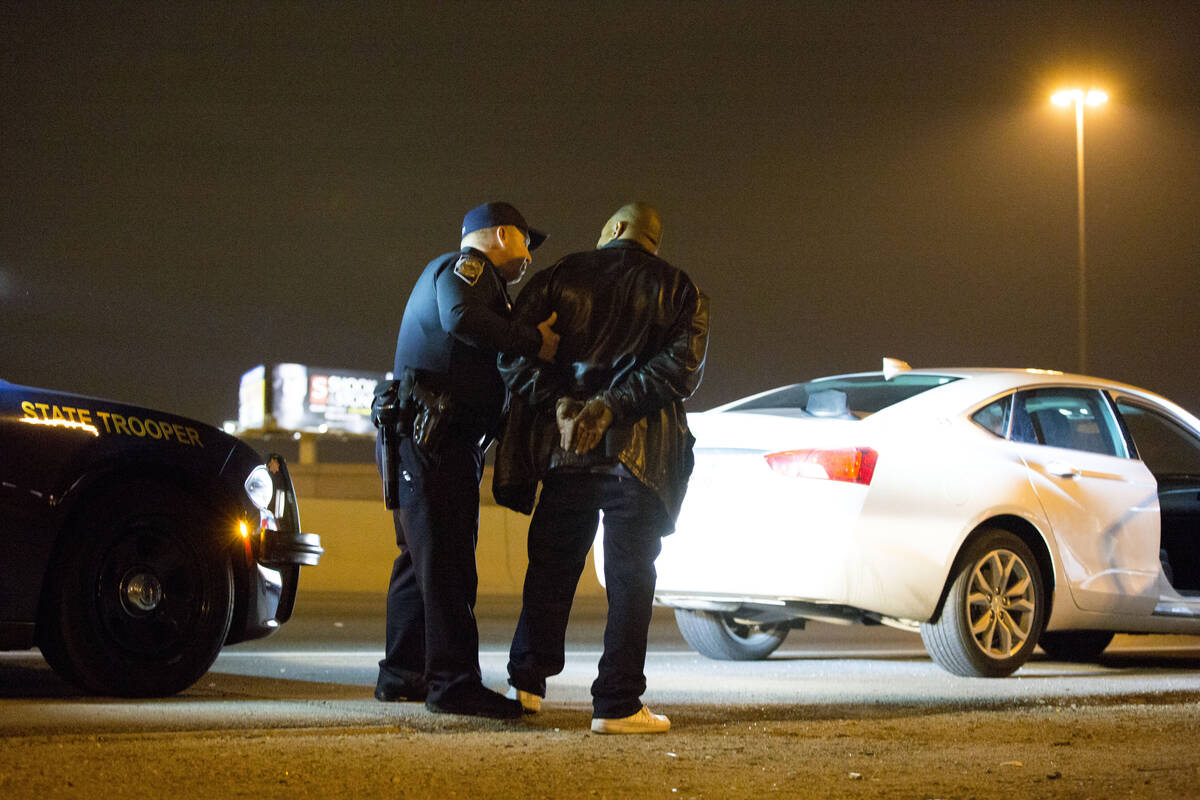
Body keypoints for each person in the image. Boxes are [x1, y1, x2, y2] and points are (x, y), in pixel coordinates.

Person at [493, 202, 709, 733]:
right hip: (639, 458)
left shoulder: (560, 275)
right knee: (631, 577)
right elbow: (680, 371)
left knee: (550, 569)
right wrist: (611, 407)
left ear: (612, 230)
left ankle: (525, 686)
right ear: (652, 243)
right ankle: (616, 704)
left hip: (567, 453)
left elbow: (511, 353)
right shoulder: (680, 288)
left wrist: (563, 404)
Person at [374, 201, 559, 719]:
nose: (528, 257)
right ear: (500, 234)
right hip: (435, 438)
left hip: (427, 438)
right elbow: (459, 317)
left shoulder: (479, 285)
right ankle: (453, 684)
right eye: (525, 242)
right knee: (448, 563)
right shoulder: (467, 270)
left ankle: (403, 674)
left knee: (420, 561)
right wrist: (533, 341)